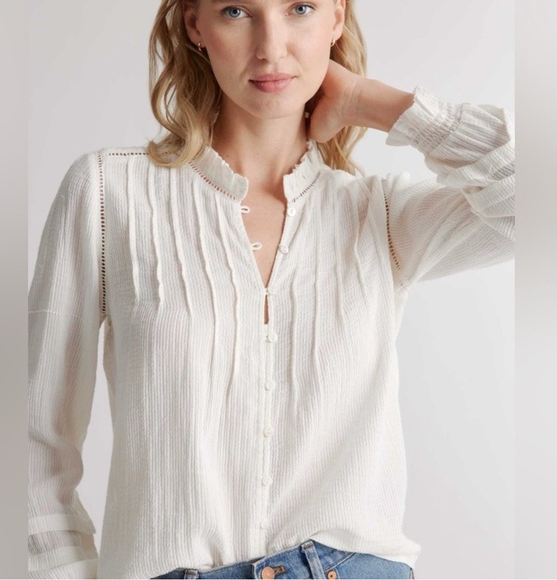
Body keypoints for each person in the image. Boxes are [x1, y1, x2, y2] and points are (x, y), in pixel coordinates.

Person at [27, 0, 514, 578]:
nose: (271, 47)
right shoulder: (110, 193)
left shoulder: (380, 216)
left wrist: (375, 104)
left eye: (300, 8)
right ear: (195, 24)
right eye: (237, 11)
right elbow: (34, 446)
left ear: (336, 18)